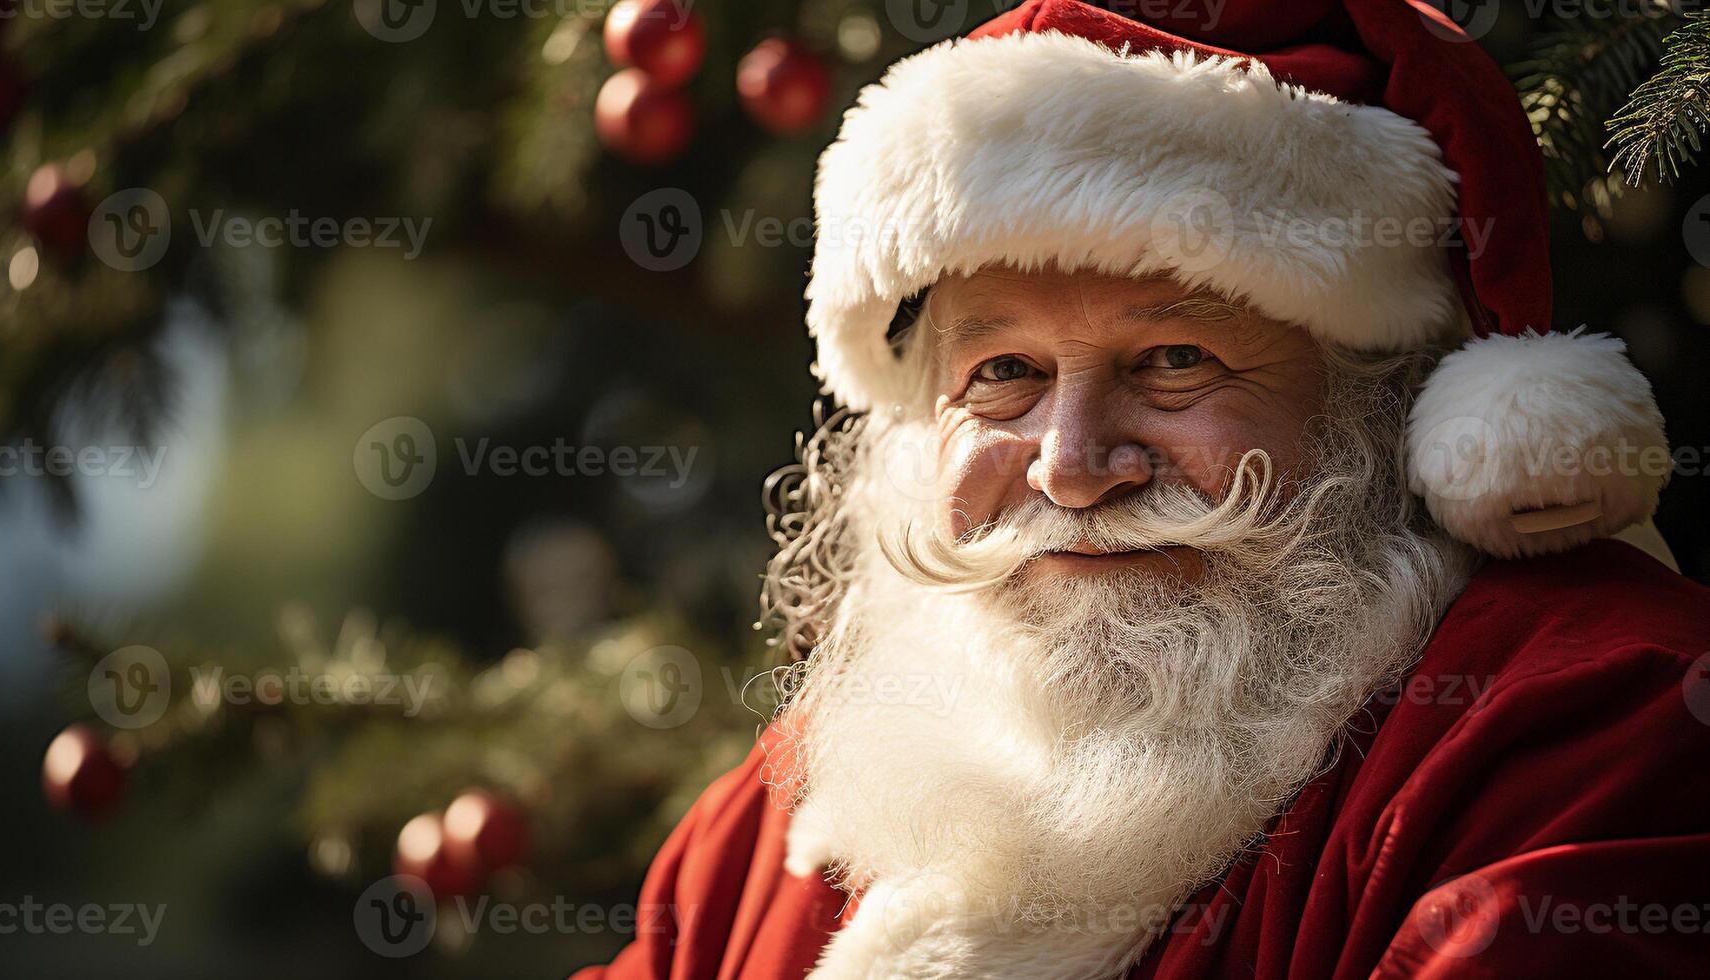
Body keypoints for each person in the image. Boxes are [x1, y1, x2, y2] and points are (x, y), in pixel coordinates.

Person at [576, 1, 1710, 976]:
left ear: (1386, 402)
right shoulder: (789, 818)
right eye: (1003, 373)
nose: (1069, 464)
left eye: (1174, 361)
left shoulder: (1602, 725)